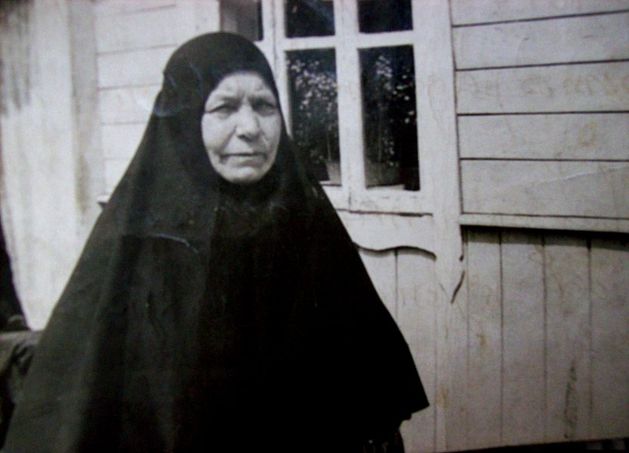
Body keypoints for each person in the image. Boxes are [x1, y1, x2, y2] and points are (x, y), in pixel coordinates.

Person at [4, 33, 428, 452]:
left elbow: (370, 403)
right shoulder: (141, 244)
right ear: (185, 120)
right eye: (224, 108)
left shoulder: (309, 225)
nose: (250, 129)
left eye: (264, 106)